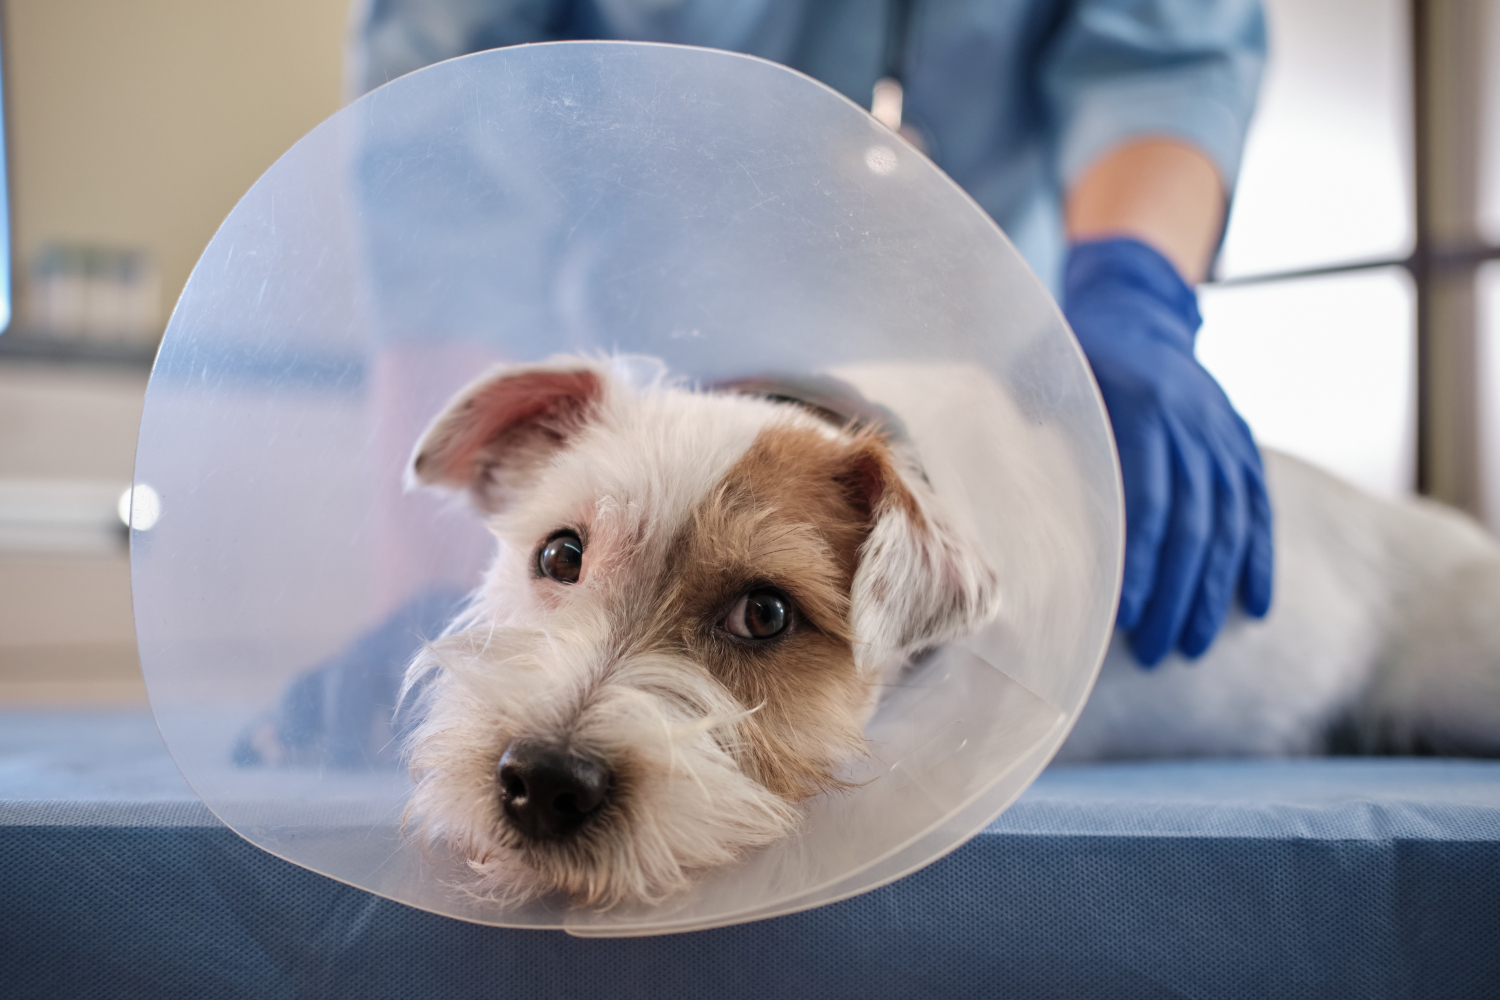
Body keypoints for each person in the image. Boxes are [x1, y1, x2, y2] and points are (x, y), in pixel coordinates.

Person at [348, 0, 1274, 666]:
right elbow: (445, 142)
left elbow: (1161, 53)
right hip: (651, 382)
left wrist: (1134, 291)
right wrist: (440, 599)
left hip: (974, 401)